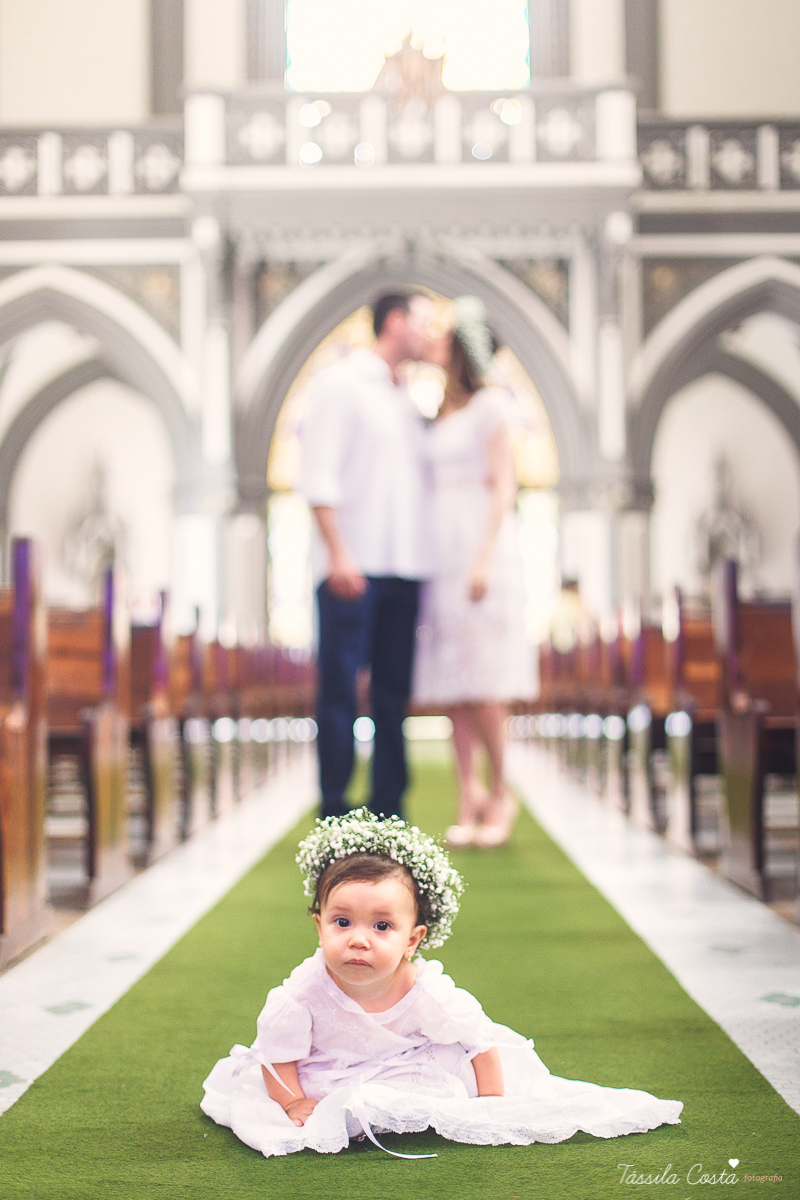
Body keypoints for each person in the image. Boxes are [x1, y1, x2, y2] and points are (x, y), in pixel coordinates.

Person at [200, 809, 683, 1158]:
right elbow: (277, 1054)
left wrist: (491, 1105)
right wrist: (294, 1101)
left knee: (450, 1078)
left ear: (414, 940)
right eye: (342, 922)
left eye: (382, 927)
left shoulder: (426, 990)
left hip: (402, 1064)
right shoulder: (302, 993)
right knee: (309, 1106)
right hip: (328, 1071)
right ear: (318, 926)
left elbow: (479, 1042)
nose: (360, 941)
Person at [299, 293, 435, 820]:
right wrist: (338, 553)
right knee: (339, 690)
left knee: (393, 694)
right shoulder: (342, 384)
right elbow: (318, 474)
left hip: (405, 566)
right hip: (352, 564)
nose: (429, 333)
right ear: (395, 322)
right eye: (423, 322)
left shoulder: (408, 399)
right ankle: (333, 803)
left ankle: (387, 803)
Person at [413, 297, 533, 848]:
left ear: (463, 345)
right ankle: (468, 795)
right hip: (439, 553)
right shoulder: (439, 412)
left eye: (444, 335)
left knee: (485, 683)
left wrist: (483, 556)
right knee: (454, 686)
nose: (434, 342)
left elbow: (504, 486)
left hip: (479, 551)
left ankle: (501, 793)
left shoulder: (491, 409)